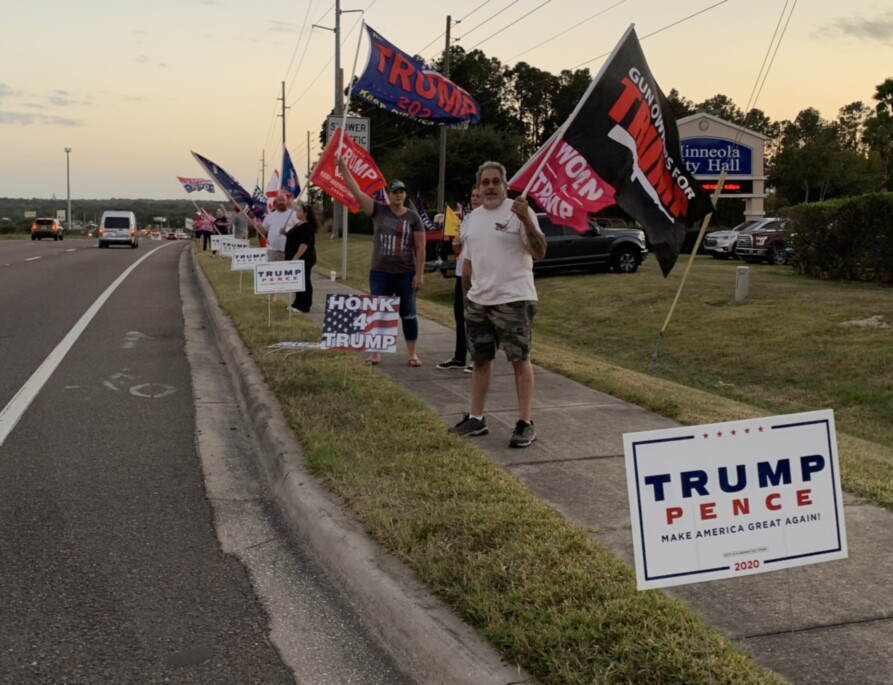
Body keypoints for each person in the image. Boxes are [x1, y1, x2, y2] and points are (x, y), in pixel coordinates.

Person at [448, 161, 547, 448]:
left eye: (496, 181)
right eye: (485, 182)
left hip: (514, 300)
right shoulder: (473, 218)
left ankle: (525, 422)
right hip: (479, 301)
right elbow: (468, 263)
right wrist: (468, 297)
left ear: (505, 185)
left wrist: (526, 219)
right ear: (478, 187)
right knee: (480, 361)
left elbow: (540, 252)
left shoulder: (520, 211)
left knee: (519, 360)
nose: (490, 187)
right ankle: (476, 418)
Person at [336, 156, 425, 367]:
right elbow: (357, 193)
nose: (399, 195)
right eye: (395, 191)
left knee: (409, 313)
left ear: (405, 194)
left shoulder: (413, 218)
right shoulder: (378, 210)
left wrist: (419, 274)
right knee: (378, 311)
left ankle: (412, 354)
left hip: (405, 272)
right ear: (388, 194)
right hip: (380, 272)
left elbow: (420, 247)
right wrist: (344, 169)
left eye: (402, 191)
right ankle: (375, 353)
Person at [437, 185, 483, 373]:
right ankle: (459, 357)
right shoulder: (467, 219)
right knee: (460, 315)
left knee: (476, 317)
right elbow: (460, 250)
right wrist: (456, 244)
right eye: (472, 195)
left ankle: (478, 358)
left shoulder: (487, 220)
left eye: (478, 195)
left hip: (479, 274)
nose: (474, 198)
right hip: (461, 272)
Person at [249, 191, 299, 300]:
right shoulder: (271, 216)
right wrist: (255, 225)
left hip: (289, 250)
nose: (281, 202)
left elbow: (299, 229)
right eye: (279, 200)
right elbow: (264, 229)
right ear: (276, 202)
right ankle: (273, 296)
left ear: (287, 202)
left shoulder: (293, 215)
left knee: (290, 276)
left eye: (283, 200)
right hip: (273, 250)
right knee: (273, 275)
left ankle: (294, 298)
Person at [284, 202, 319, 313]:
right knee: (297, 281)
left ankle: (305, 305)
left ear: (305, 213)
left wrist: (296, 257)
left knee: (304, 281)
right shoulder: (299, 224)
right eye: (297, 210)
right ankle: (297, 303)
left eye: (299, 210)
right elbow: (295, 237)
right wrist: (285, 233)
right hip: (295, 258)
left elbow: (304, 244)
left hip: (304, 258)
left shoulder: (307, 226)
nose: (296, 212)